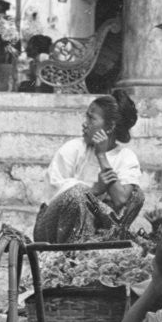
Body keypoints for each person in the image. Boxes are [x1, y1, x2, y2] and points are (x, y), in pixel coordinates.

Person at [34, 90, 144, 245]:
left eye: (91, 118)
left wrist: (101, 156)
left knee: (137, 195)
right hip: (52, 229)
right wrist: (95, 190)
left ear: (110, 127)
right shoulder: (73, 148)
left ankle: (103, 240)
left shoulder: (126, 156)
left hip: (97, 228)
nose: (84, 123)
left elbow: (121, 200)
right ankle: (74, 248)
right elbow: (52, 195)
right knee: (78, 192)